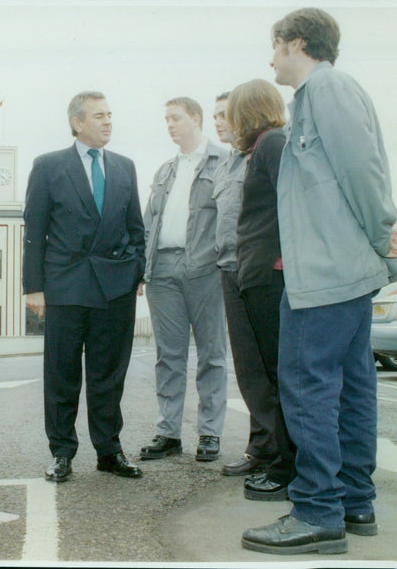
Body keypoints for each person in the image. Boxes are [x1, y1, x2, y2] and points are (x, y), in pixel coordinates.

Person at [241, 8, 397, 555]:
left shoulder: (328, 89)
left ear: (296, 42)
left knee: (308, 387)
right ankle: (353, 503)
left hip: (324, 274)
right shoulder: (318, 97)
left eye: (274, 46)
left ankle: (318, 511)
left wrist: (383, 232)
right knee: (351, 387)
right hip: (337, 272)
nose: (270, 58)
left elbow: (362, 169)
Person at [23, 91, 146, 482]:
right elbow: (35, 231)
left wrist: (135, 273)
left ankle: (109, 451)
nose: (108, 121)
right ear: (77, 123)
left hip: (115, 289)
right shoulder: (48, 166)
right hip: (65, 286)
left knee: (108, 374)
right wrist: (34, 288)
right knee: (62, 373)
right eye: (98, 115)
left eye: (110, 114)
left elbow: (135, 228)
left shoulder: (125, 167)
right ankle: (62, 452)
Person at [139, 97, 227, 463]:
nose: (169, 125)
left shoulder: (223, 162)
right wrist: (143, 269)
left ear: (196, 118)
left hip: (206, 269)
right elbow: (148, 221)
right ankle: (168, 432)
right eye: (166, 119)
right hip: (163, 270)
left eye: (175, 118)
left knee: (212, 353)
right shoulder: (165, 171)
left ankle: (209, 433)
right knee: (169, 356)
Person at [226, 79, 297, 503]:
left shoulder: (271, 144)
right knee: (274, 374)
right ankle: (284, 463)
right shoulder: (263, 147)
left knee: (278, 375)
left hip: (271, 274)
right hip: (260, 274)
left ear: (246, 112)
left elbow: (290, 205)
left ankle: (287, 468)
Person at [211, 92, 272, 477]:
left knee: (270, 367)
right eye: (215, 115)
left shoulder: (261, 156)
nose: (218, 121)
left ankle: (278, 453)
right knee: (249, 369)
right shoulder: (224, 166)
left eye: (224, 114)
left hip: (259, 271)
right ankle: (261, 448)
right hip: (230, 271)